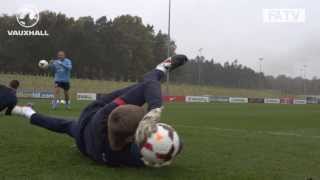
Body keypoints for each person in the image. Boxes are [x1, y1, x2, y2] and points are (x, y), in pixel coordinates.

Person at [12, 55, 188, 167]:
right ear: (132, 138)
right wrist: (171, 148)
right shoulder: (131, 157)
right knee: (62, 125)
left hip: (90, 119)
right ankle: (27, 113)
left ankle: (28, 112)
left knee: (66, 125)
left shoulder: (107, 114)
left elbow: (147, 85)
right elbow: (173, 148)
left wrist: (154, 109)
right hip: (86, 143)